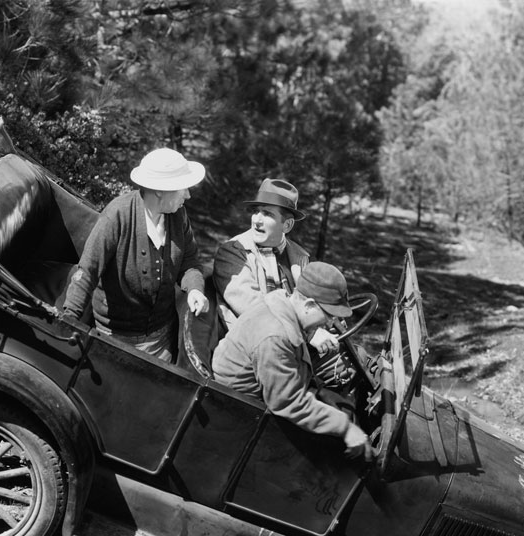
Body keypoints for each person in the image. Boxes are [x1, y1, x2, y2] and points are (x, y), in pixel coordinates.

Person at [212, 261, 371, 460]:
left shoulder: (281, 303)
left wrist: (318, 391)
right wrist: (345, 428)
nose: (331, 323)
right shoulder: (275, 335)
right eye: (329, 315)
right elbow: (286, 401)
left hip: (264, 396)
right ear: (309, 305)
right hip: (243, 412)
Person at [62, 147, 210, 362]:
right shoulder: (118, 215)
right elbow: (88, 269)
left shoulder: (179, 216)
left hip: (163, 339)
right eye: (182, 188)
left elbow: (189, 262)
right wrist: (69, 318)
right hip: (116, 340)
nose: (188, 195)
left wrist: (195, 289)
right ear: (161, 191)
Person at [212, 178, 338, 355]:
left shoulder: (299, 256)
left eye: (267, 214)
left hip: (292, 344)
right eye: (256, 212)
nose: (257, 220)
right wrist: (309, 333)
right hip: (252, 348)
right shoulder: (233, 253)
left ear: (287, 225)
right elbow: (254, 309)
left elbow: (309, 303)